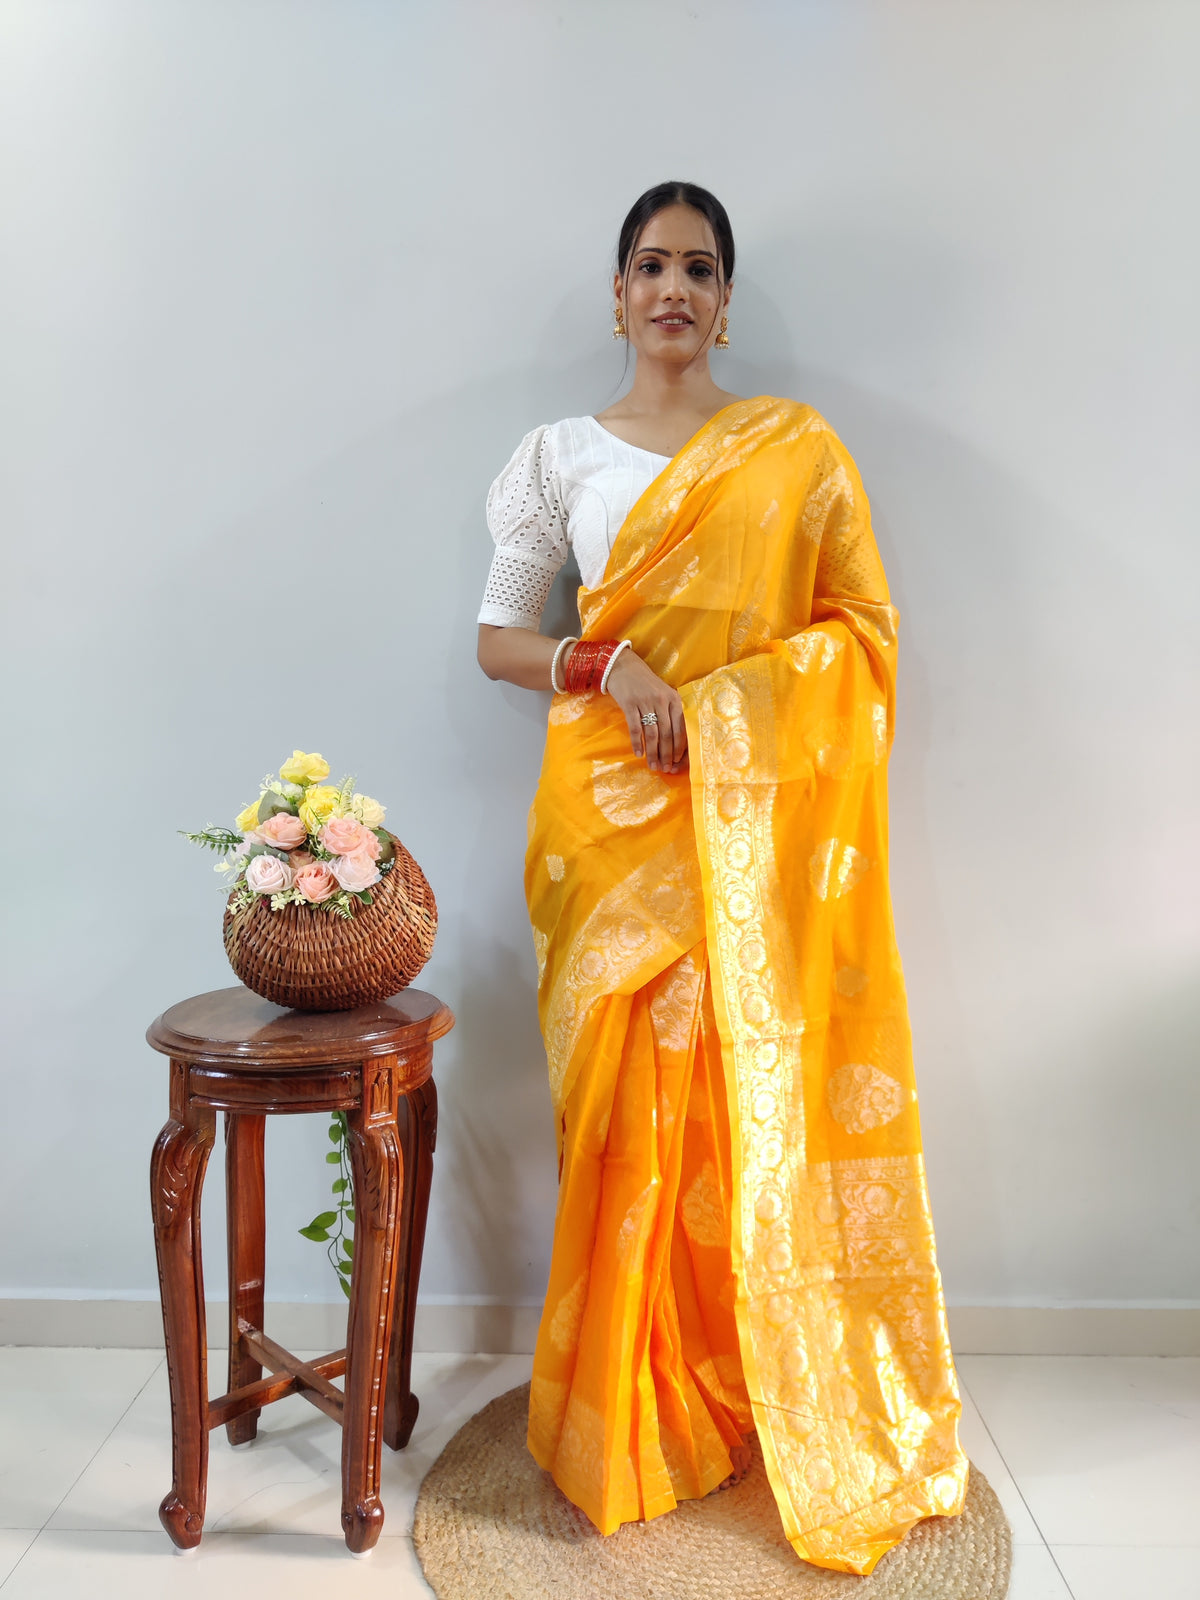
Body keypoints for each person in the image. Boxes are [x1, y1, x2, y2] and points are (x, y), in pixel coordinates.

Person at [476, 180, 968, 1576]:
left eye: (698, 267)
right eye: (649, 265)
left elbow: (860, 633)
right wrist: (611, 661)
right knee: (628, 1114)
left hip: (739, 833)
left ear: (728, 300)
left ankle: (732, 1384)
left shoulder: (796, 454)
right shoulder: (556, 457)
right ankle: (621, 1414)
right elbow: (499, 639)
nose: (673, 289)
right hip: (603, 827)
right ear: (617, 293)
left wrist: (732, 704)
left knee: (724, 1111)